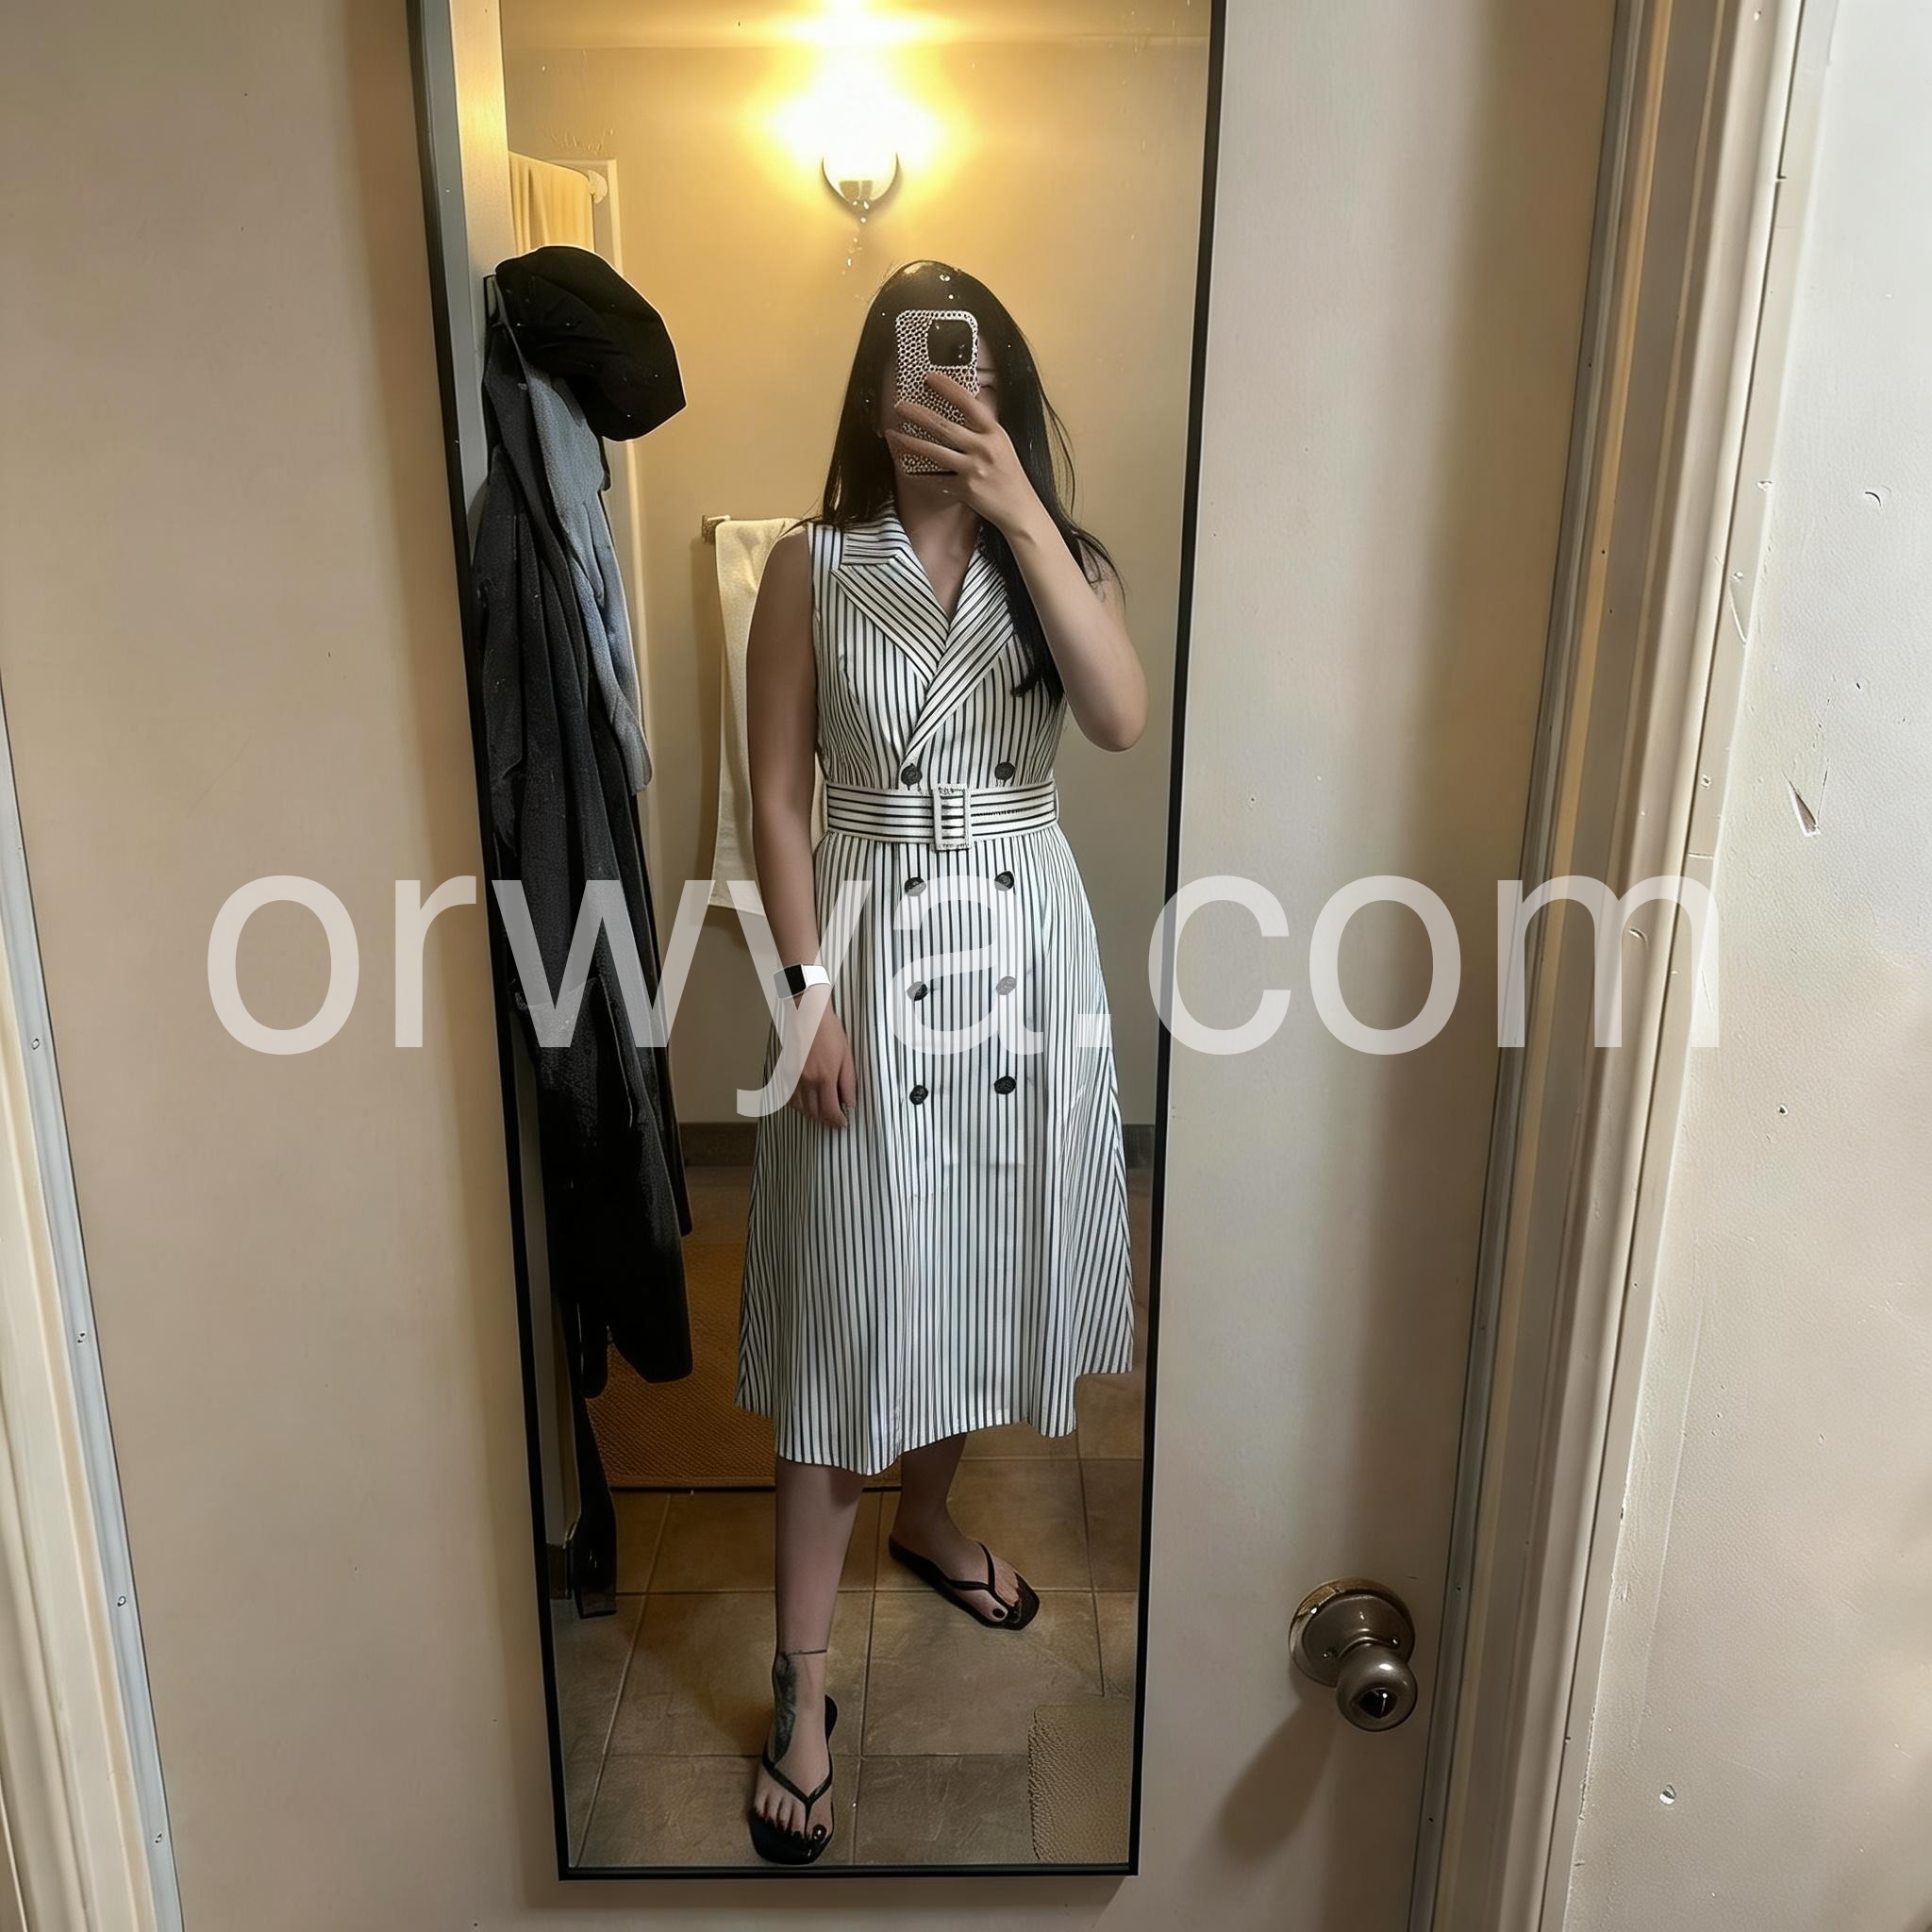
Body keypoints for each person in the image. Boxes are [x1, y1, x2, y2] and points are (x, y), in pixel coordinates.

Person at [738, 260, 1145, 1864]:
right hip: (869, 950)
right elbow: (779, 802)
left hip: (1023, 956)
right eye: (910, 375)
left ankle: (929, 1517)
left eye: (963, 376)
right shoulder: (811, 565)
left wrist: (1020, 508)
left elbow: (1116, 717)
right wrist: (804, 998)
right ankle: (802, 1682)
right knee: (850, 1312)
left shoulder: (1062, 563)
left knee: (978, 1272)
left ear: (1003, 388)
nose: (935, 402)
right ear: (873, 392)